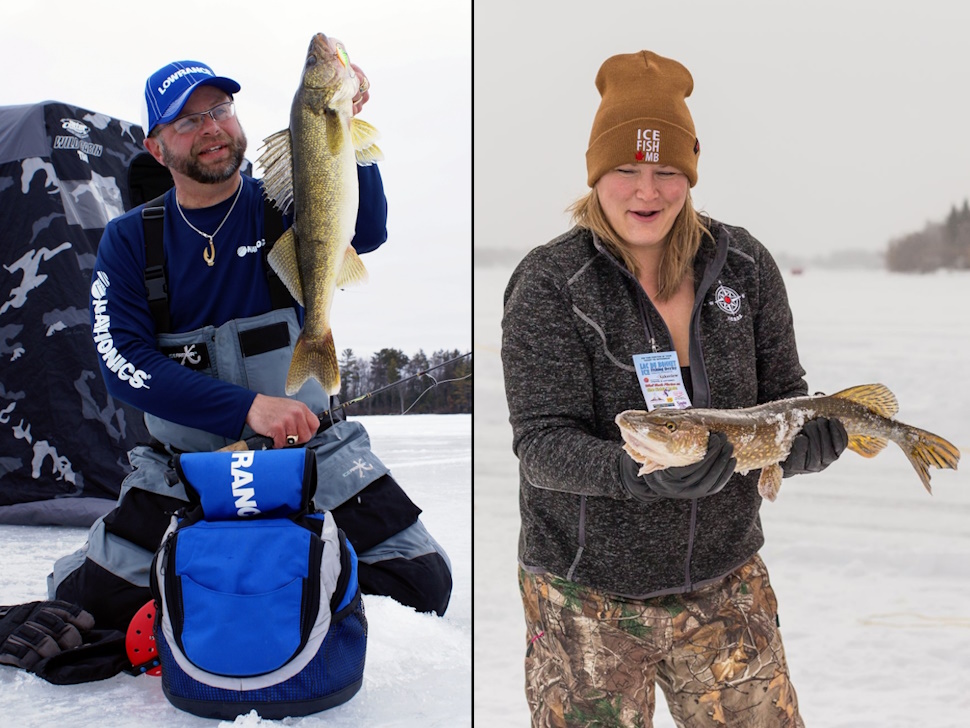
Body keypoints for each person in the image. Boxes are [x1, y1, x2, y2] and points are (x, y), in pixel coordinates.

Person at [501, 50, 848, 727]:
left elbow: (784, 394)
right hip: (586, 600)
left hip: (726, 587)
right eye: (625, 170)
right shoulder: (552, 283)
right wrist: (638, 476)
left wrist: (801, 446)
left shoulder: (742, 265)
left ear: (691, 169)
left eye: (666, 172)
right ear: (596, 170)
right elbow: (542, 444)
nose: (646, 192)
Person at [46, 59, 453, 634]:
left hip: (309, 452)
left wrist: (347, 130)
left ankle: (269, 592)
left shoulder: (285, 203)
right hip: (187, 467)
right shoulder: (130, 238)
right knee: (86, 608)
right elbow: (124, 364)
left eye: (219, 110)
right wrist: (247, 409)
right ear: (157, 149)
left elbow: (367, 233)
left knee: (420, 581)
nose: (210, 127)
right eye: (186, 122)